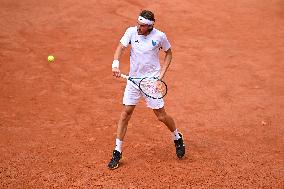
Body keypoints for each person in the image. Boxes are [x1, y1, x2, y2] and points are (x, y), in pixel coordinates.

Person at [108, 10, 185, 170]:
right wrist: (115, 64)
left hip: (151, 82)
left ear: (150, 27)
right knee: (125, 114)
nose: (138, 28)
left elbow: (169, 54)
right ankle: (117, 151)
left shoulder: (159, 36)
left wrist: (160, 77)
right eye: (138, 24)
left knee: (161, 116)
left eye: (142, 26)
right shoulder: (131, 31)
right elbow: (120, 48)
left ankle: (177, 136)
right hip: (133, 81)